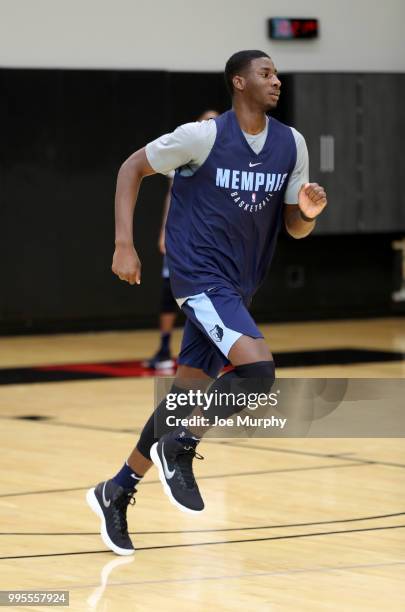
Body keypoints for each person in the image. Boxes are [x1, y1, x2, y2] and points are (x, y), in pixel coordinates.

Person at [86, 50, 327, 556]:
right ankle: (181, 447)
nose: (276, 81)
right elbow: (132, 167)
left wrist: (306, 214)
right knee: (258, 373)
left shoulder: (291, 144)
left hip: (239, 286)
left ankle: (117, 489)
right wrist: (124, 244)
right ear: (239, 83)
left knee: (184, 396)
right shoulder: (204, 136)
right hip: (200, 277)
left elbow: (294, 228)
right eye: (266, 74)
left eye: (277, 74)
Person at [144, 110, 219, 370]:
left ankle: (217, 349)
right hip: (182, 236)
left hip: (211, 241)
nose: (208, 125)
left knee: (211, 297)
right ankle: (164, 347)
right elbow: (170, 194)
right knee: (170, 292)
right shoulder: (185, 153)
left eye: (213, 121)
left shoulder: (227, 158)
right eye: (204, 121)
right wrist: (164, 230)